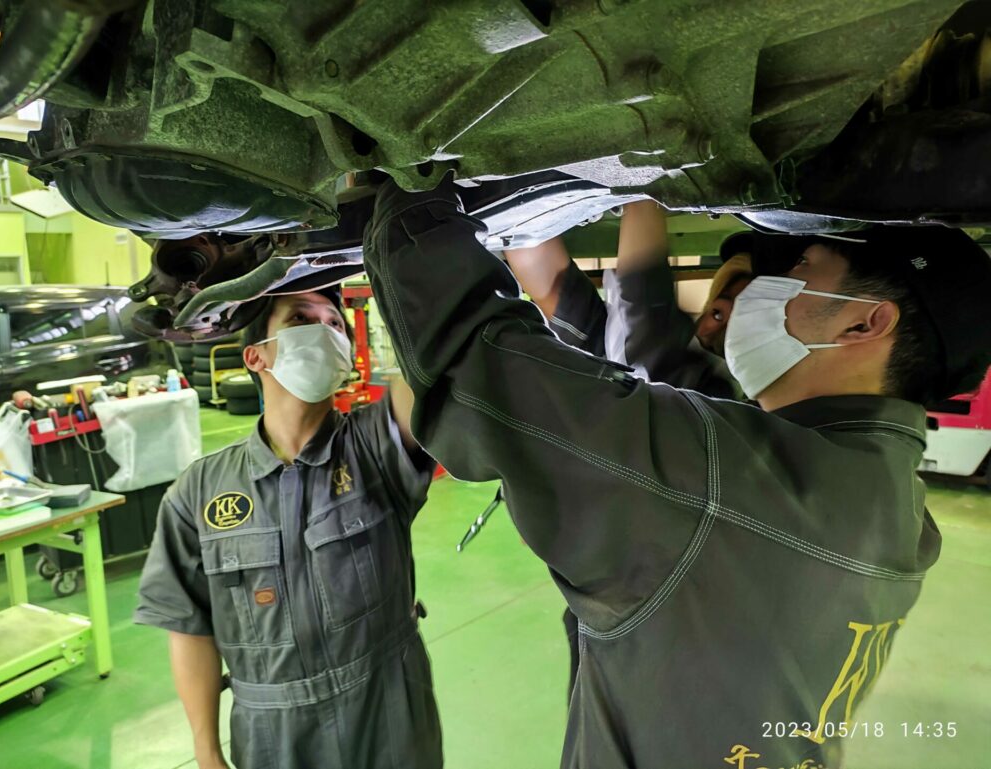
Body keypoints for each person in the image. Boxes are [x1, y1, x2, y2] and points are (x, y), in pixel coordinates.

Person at [362, 175, 991, 769]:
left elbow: (479, 367)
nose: (766, 289)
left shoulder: (737, 484)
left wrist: (409, 190)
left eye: (802, 270)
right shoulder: (889, 502)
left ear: (865, 321)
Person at [134, 286, 442, 769]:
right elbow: (188, 626)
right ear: (256, 356)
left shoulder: (376, 445)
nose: (324, 330)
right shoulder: (200, 490)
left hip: (388, 713)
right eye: (301, 319)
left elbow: (428, 372)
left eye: (335, 324)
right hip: (272, 734)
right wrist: (207, 750)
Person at [506, 201, 753, 695]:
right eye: (716, 310)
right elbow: (562, 295)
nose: (713, 326)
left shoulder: (724, 404)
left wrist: (643, 175)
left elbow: (642, 306)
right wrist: (520, 209)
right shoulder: (648, 367)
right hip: (621, 613)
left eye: (739, 315)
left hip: (660, 623)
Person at [505, 200, 753, 397]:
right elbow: (555, 289)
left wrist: (644, 186)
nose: (716, 327)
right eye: (718, 312)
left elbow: (645, 302)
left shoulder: (714, 394)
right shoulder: (621, 361)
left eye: (739, 321)